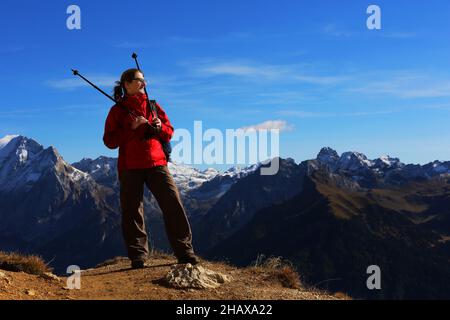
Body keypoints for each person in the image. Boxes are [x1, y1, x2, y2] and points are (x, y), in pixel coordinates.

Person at [103, 68, 199, 269]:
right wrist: (132, 128)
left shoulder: (153, 106)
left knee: (173, 204)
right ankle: (138, 256)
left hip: (157, 163)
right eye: (139, 80)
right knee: (132, 211)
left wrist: (158, 127)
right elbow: (109, 141)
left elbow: (169, 131)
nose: (144, 83)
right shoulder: (117, 111)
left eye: (144, 80)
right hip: (130, 166)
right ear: (127, 84)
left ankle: (185, 252)